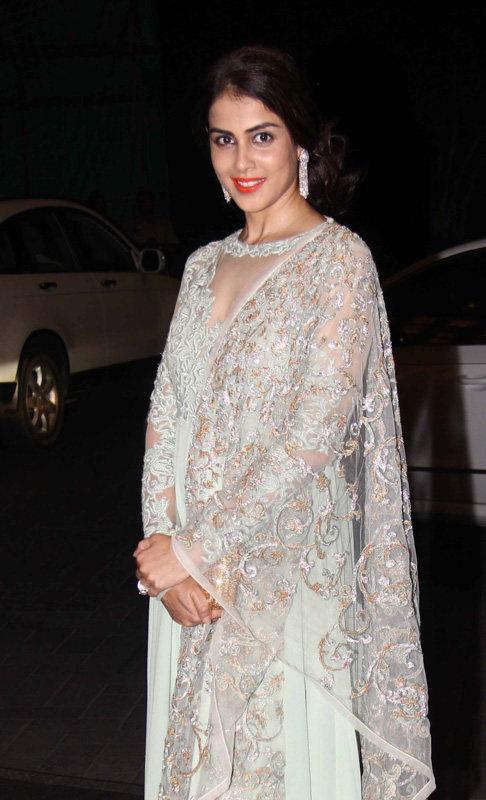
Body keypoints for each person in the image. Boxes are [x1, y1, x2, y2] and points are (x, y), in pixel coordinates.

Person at [134, 45, 435, 800]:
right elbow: (166, 414)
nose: (241, 161)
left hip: (283, 573)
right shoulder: (202, 266)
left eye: (261, 135)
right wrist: (162, 555)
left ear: (300, 139)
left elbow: (313, 436)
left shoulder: (339, 261)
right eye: (223, 138)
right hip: (187, 583)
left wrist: (196, 549)